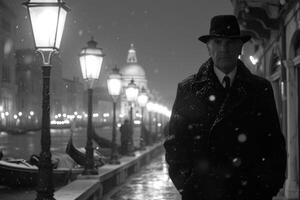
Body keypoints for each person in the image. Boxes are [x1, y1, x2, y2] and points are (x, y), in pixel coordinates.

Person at [164, 15, 287, 200]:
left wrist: (266, 187)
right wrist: (189, 186)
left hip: (249, 193)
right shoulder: (188, 89)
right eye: (218, 42)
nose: (224, 48)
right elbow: (175, 145)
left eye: (230, 43)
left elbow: (274, 143)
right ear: (208, 47)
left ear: (240, 47)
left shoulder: (260, 88)